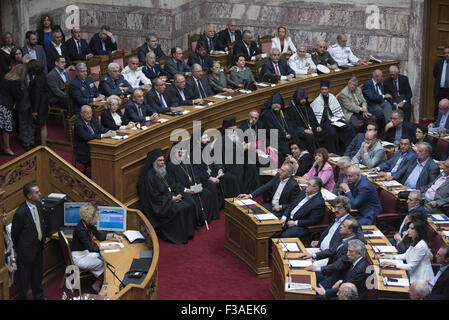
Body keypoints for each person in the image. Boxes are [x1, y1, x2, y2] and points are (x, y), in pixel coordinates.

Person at [136, 148, 197, 244]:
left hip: (170, 196)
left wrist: (180, 192)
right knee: (179, 208)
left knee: (189, 203)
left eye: (163, 160)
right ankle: (179, 237)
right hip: (161, 204)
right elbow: (153, 197)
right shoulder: (149, 177)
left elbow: (172, 184)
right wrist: (171, 199)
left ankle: (188, 233)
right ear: (153, 162)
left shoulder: (163, 170)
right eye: (159, 161)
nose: (162, 162)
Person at [70, 203, 123, 293]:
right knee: (107, 264)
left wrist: (114, 236)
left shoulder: (87, 224)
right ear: (90, 218)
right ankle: (97, 285)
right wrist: (109, 247)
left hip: (85, 253)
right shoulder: (80, 229)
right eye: (97, 217)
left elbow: (100, 236)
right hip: (79, 258)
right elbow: (91, 248)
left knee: (103, 259)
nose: (98, 219)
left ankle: (98, 283)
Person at [166, 145, 220, 228]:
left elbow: (195, 175)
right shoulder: (170, 166)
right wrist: (185, 190)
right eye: (178, 151)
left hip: (193, 189)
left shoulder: (187, 162)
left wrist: (198, 185)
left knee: (207, 194)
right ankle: (196, 222)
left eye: (182, 151)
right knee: (192, 201)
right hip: (182, 191)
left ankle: (204, 219)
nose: (180, 153)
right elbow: (173, 184)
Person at [11, 182, 46, 300]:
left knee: (37, 275)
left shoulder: (39, 204)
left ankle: (39, 296)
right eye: (37, 192)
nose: (40, 194)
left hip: (38, 247)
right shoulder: (21, 213)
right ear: (29, 196)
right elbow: (14, 234)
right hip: (25, 251)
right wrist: (19, 249)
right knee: (24, 280)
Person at [306, 197, 364, 265]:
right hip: (320, 250)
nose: (336, 210)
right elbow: (331, 236)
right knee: (298, 254)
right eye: (335, 207)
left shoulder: (351, 222)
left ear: (346, 208)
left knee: (307, 265)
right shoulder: (336, 219)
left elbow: (361, 241)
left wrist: (344, 248)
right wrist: (320, 242)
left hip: (330, 257)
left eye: (339, 207)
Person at [311, 79, 355, 151]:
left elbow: (338, 113)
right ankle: (336, 152)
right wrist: (329, 122)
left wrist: (335, 120)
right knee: (332, 133)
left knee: (349, 127)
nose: (324, 91)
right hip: (324, 123)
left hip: (335, 121)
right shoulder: (317, 101)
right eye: (322, 89)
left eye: (325, 89)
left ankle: (350, 148)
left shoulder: (332, 98)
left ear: (329, 89)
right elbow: (318, 119)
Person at [286, 86, 332, 154]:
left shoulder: (307, 107)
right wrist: (304, 130)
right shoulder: (292, 110)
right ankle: (314, 157)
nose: (303, 100)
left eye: (304, 98)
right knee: (310, 137)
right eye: (301, 99)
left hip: (311, 129)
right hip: (301, 131)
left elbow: (313, 119)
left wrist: (317, 126)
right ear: (297, 99)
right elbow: (293, 126)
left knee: (327, 132)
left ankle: (327, 154)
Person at [4, 62, 36, 151]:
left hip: (27, 103)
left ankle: (30, 140)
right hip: (21, 105)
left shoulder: (10, 78)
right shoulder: (14, 81)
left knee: (28, 123)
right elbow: (18, 96)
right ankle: (26, 142)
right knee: (24, 123)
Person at [74, 105, 116, 169]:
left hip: (96, 144)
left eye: (91, 113)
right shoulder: (78, 124)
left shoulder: (91, 119)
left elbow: (100, 128)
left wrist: (110, 131)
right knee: (106, 155)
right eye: (87, 113)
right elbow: (87, 137)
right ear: (82, 114)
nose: (90, 115)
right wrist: (104, 135)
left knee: (110, 152)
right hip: (85, 150)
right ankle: (100, 174)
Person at [260, 92, 297, 162]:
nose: (276, 105)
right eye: (274, 103)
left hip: (287, 138)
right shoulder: (267, 116)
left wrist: (290, 133)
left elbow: (291, 124)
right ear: (271, 104)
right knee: (286, 149)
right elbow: (270, 131)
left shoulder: (282, 113)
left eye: (278, 103)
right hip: (275, 141)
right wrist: (284, 135)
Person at [214, 116, 246, 195]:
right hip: (229, 167)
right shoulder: (220, 141)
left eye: (236, 129)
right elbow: (217, 158)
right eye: (233, 130)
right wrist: (220, 168)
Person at [0, 63, 26, 155]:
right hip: (6, 107)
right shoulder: (16, 82)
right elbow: (18, 96)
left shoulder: (5, 78)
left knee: (1, 129)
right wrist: (22, 89)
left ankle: (3, 147)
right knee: (6, 130)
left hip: (1, 104)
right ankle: (7, 149)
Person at [28, 60, 50, 146]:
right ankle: (42, 144)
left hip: (40, 105)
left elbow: (37, 95)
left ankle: (43, 145)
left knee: (42, 125)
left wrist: (35, 110)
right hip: (44, 103)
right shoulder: (42, 74)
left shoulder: (38, 79)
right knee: (42, 125)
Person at [433, 46, 449, 120]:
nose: (446, 55)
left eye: (448, 53)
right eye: (445, 53)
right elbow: (435, 75)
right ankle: (436, 123)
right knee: (438, 108)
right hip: (440, 90)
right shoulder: (438, 63)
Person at [3, 205, 16, 286]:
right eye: (2, 217)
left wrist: (13, 261)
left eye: (5, 216)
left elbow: (11, 246)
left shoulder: (6, 229)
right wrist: (7, 267)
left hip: (8, 260)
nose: (5, 218)